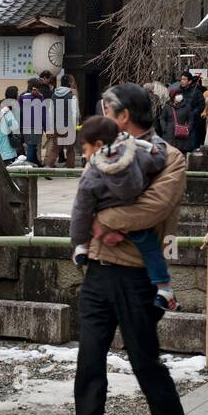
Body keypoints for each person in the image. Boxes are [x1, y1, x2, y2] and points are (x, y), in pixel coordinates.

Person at [52, 84, 189, 415]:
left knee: (144, 358)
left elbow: (152, 208)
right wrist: (89, 231)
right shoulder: (103, 146)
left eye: (106, 110)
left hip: (137, 272)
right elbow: (84, 195)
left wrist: (101, 221)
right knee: (89, 358)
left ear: (122, 114)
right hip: (98, 267)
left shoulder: (170, 157)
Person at [69, 115, 177, 312]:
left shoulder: (92, 175)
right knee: (151, 248)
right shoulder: (135, 154)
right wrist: (155, 145)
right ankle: (164, 288)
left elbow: (80, 211)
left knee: (89, 217)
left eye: (85, 150)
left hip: (104, 217)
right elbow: (159, 160)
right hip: (132, 217)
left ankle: (83, 250)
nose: (84, 155)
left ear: (98, 144)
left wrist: (78, 240)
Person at [157, 86, 196, 154]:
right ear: (173, 97)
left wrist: (188, 129)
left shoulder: (187, 107)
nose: (179, 96)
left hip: (181, 133)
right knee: (169, 152)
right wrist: (164, 128)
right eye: (177, 95)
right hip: (169, 133)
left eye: (180, 94)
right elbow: (162, 118)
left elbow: (190, 119)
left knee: (180, 152)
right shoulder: (167, 107)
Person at [179, 71, 207, 150]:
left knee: (193, 144)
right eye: (181, 79)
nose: (182, 81)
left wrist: (193, 113)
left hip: (194, 122)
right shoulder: (179, 92)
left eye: (184, 79)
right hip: (181, 121)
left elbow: (201, 105)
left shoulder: (197, 92)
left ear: (190, 81)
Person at [20, 79, 46, 165]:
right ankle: (28, 167)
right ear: (35, 88)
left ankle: (37, 164)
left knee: (32, 146)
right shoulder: (39, 97)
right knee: (31, 147)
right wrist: (46, 127)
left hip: (25, 125)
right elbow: (43, 113)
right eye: (39, 87)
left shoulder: (21, 96)